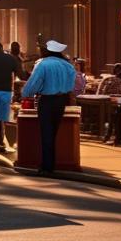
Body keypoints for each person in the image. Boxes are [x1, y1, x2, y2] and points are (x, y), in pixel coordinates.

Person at [21, 39, 77, 175]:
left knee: (46, 133)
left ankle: (47, 166)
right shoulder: (68, 66)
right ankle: (51, 163)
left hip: (46, 100)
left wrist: (25, 93)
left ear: (47, 51)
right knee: (53, 132)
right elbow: (71, 86)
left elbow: (34, 83)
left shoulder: (43, 64)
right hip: (61, 100)